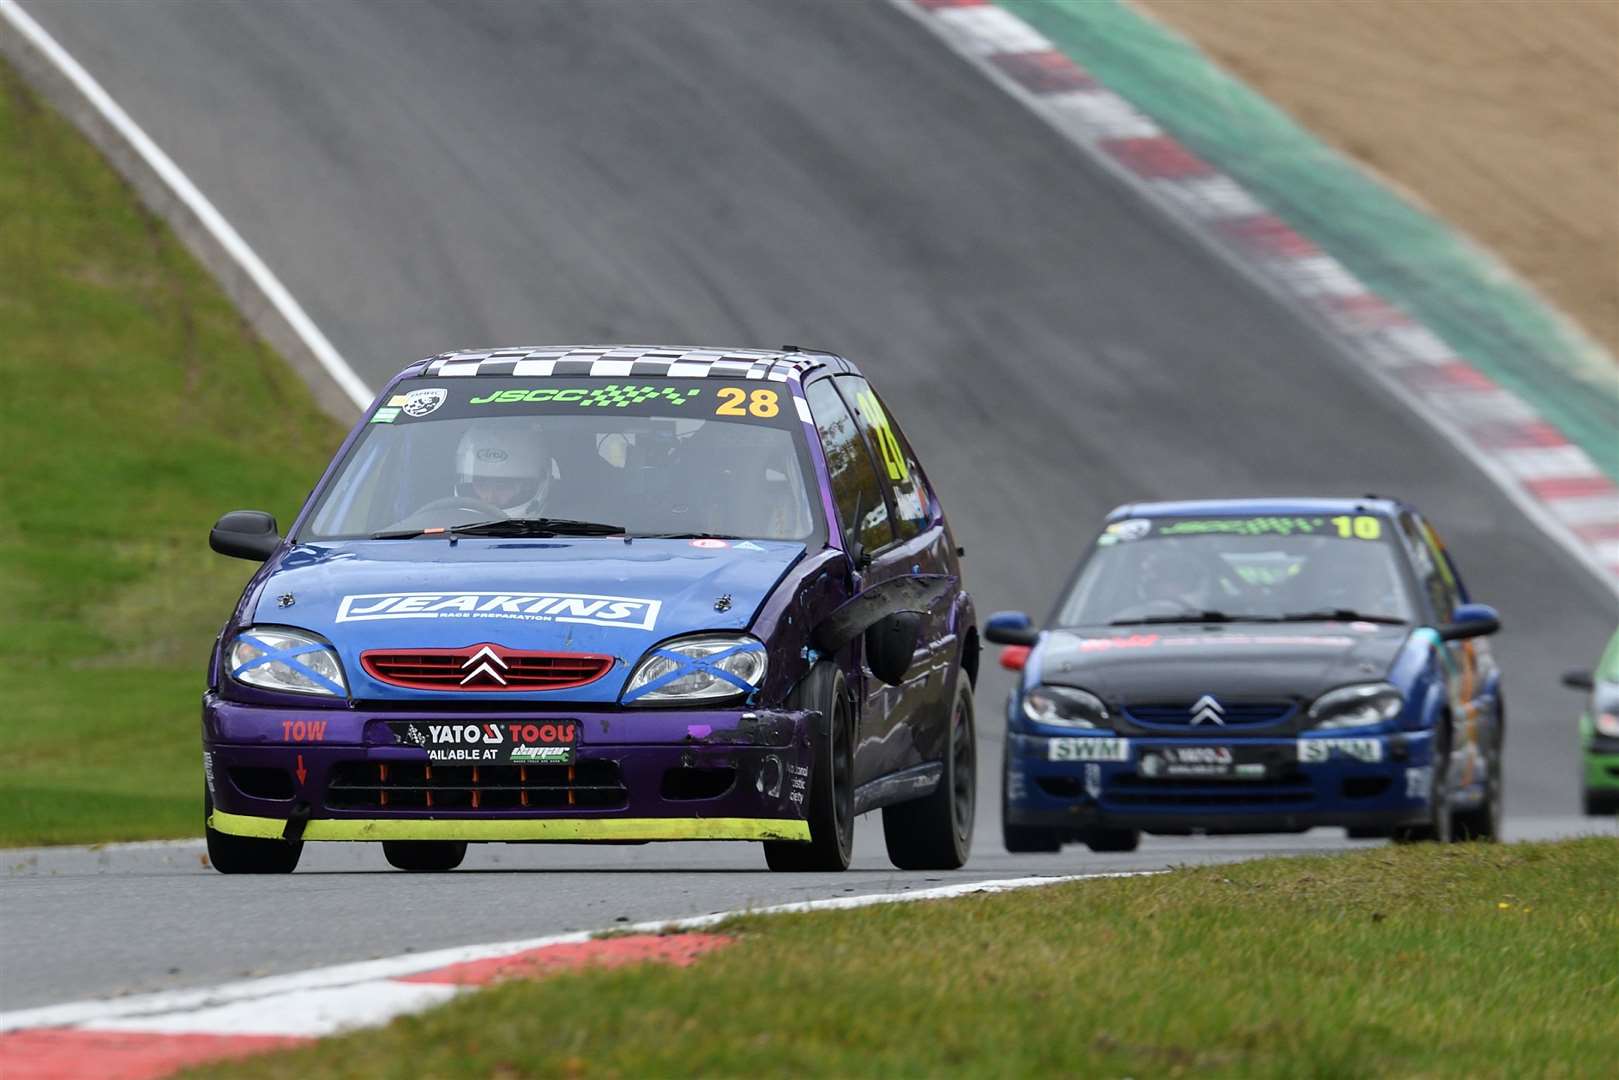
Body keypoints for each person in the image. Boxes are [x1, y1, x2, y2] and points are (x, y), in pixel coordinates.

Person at [453, 422, 553, 517]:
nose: (489, 498)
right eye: (481, 485)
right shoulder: (446, 522)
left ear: (528, 487)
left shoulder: (564, 523)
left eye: (502, 486)